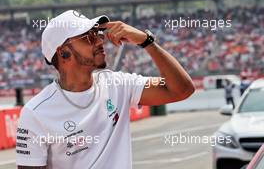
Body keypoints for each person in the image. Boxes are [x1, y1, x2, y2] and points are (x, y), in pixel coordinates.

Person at [16, 10, 194, 169]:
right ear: (63, 52)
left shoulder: (118, 84)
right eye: (88, 37)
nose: (100, 40)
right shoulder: (35, 113)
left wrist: (146, 41)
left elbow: (182, 89)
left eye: (98, 33)